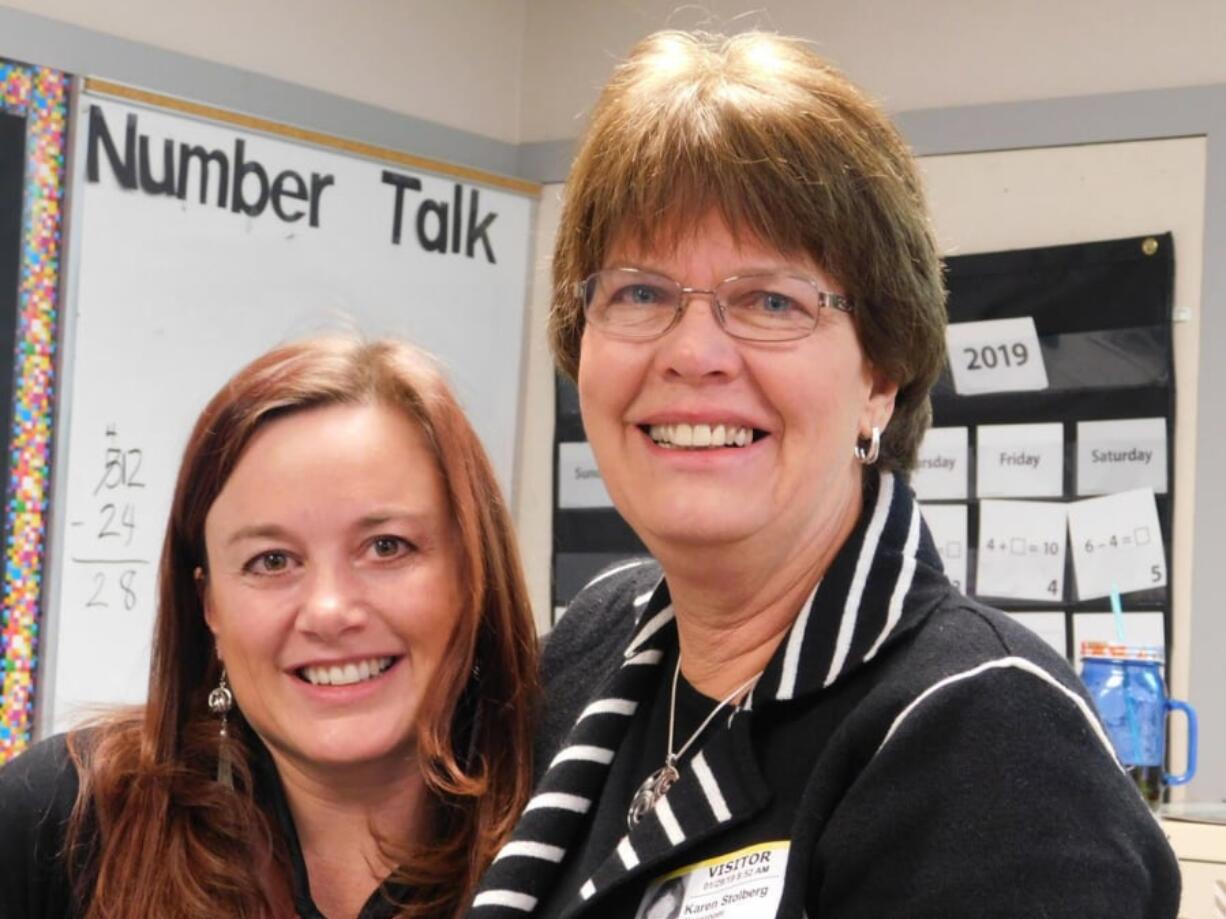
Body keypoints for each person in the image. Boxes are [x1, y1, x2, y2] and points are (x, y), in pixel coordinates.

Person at [469, 30, 1180, 918]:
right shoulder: (594, 643)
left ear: (879, 374)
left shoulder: (989, 739)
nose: (693, 352)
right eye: (639, 293)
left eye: (771, 300)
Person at [0, 336, 538, 918]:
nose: (330, 611)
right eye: (272, 561)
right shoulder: (59, 824)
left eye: (387, 547)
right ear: (209, 605)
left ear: (472, 572)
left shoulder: (572, 820)